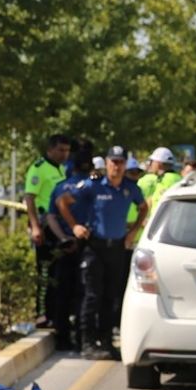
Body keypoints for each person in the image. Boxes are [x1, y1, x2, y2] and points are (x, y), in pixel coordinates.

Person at [57, 146, 148, 359]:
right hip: (94, 247)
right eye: (113, 162)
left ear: (125, 165)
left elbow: (144, 207)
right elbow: (63, 202)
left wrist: (132, 232)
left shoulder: (130, 188)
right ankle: (88, 342)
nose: (116, 166)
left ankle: (106, 342)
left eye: (120, 162)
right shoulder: (93, 185)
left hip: (116, 247)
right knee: (92, 295)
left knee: (111, 297)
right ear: (106, 163)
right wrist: (75, 227)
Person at [45, 155, 95, 351]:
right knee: (86, 293)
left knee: (63, 294)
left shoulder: (60, 187)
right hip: (88, 245)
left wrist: (63, 238)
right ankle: (83, 338)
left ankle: (63, 337)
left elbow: (51, 216)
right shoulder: (93, 187)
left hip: (65, 246)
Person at [24, 134, 71, 327]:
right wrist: (35, 226)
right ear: (50, 149)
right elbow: (29, 197)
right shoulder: (39, 169)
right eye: (61, 150)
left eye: (67, 150)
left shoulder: (62, 169)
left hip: (59, 226)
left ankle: (55, 313)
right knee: (44, 272)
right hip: (44, 226)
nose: (64, 154)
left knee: (57, 273)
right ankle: (41, 314)